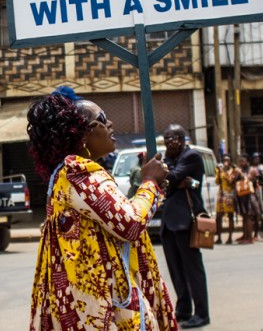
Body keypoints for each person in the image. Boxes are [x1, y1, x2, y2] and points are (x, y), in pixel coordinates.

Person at [27, 92, 176, 330]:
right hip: (104, 309)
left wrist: (151, 186)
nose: (110, 124)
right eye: (102, 118)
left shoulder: (68, 175)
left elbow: (117, 216)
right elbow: (131, 224)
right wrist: (150, 183)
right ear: (83, 134)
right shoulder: (79, 174)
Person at [160, 124, 210, 329]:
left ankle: (201, 313)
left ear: (181, 139)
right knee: (175, 269)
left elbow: (168, 178)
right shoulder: (169, 159)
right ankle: (183, 309)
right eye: (165, 139)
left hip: (186, 220)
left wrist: (175, 180)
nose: (168, 142)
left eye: (171, 138)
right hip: (168, 222)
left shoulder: (192, 156)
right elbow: (164, 185)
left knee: (192, 269)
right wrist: (175, 181)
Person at [235, 154, 259, 245]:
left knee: (249, 216)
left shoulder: (252, 170)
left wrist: (240, 173)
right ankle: (245, 235)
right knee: (244, 216)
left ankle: (250, 238)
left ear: (247, 162)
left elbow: (248, 179)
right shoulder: (240, 170)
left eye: (243, 161)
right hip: (241, 195)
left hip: (249, 196)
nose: (241, 163)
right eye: (240, 161)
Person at [214, 155, 239, 245]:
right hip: (221, 196)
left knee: (230, 216)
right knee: (218, 217)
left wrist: (227, 172)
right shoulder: (220, 170)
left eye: (228, 160)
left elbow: (230, 181)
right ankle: (219, 237)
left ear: (230, 161)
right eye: (224, 160)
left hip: (230, 196)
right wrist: (218, 171)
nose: (226, 162)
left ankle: (230, 238)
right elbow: (217, 181)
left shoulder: (234, 171)